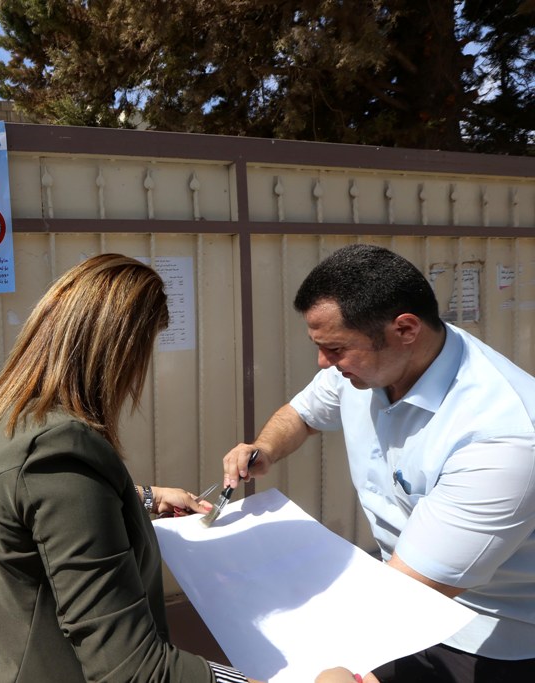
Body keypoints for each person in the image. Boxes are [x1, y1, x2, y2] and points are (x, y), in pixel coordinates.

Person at [222, 244, 535, 683]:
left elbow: (410, 595)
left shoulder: (502, 436)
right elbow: (302, 415)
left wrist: (307, 662)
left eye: (335, 348)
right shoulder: (364, 370)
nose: (323, 363)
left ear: (405, 329)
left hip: (487, 642)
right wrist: (265, 448)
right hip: (402, 599)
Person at [0, 253, 263, 683]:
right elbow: (133, 669)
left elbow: (33, 515)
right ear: (119, 351)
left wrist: (146, 498)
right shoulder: (59, 451)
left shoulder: (8, 417)